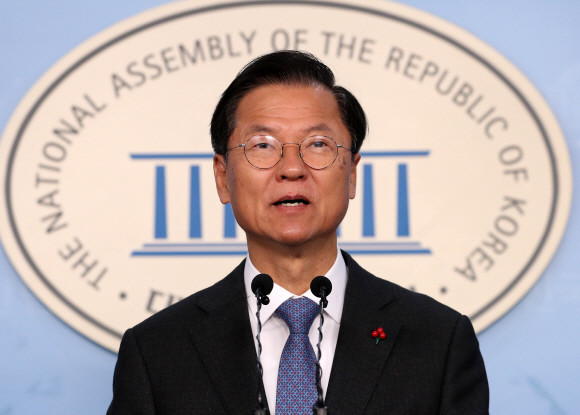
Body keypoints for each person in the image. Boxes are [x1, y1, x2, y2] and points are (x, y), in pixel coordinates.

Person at [107, 50, 489, 415]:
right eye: (262, 145)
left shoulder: (439, 341)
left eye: (318, 144)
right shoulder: (157, 351)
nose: (292, 168)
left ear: (352, 174)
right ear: (223, 178)